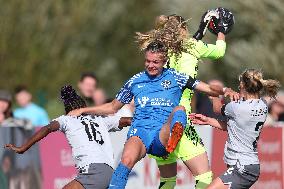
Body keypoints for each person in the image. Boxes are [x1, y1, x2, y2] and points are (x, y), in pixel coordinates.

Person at [68, 41, 238, 189]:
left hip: (162, 133)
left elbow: (207, 88)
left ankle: (173, 138)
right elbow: (113, 107)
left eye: (155, 62)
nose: (150, 65)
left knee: (179, 110)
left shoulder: (176, 77)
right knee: (125, 161)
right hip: (140, 131)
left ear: (164, 61)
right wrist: (84, 110)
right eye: (147, 61)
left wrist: (224, 90)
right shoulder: (135, 80)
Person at [135, 10, 231, 188]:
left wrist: (202, 29)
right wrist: (221, 31)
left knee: (168, 180)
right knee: (204, 176)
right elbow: (219, 52)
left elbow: (186, 44)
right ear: (184, 29)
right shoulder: (192, 46)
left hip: (157, 120)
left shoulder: (160, 49)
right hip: (180, 118)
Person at [5, 85, 132, 189]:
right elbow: (127, 120)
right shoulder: (100, 119)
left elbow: (48, 128)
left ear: (68, 109)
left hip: (93, 171)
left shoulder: (67, 119)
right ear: (83, 106)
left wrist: (23, 147)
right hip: (109, 172)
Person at [189, 69, 280, 189]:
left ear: (242, 85)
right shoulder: (262, 105)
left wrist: (215, 94)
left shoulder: (237, 108)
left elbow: (217, 109)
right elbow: (233, 127)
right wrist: (208, 120)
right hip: (249, 165)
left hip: (242, 167)